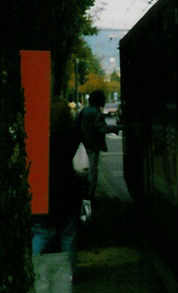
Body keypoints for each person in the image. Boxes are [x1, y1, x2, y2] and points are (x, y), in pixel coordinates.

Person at [32, 97, 82, 255]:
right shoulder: (73, 136)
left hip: (42, 191)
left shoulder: (37, 136)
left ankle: (35, 271)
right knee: (68, 235)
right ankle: (68, 275)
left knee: (42, 233)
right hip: (67, 190)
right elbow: (82, 167)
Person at [79, 90, 119, 221]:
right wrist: (116, 128)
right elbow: (101, 128)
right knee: (93, 172)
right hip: (93, 145)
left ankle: (88, 198)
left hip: (85, 143)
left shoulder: (85, 111)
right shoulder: (96, 113)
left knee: (91, 170)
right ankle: (89, 199)